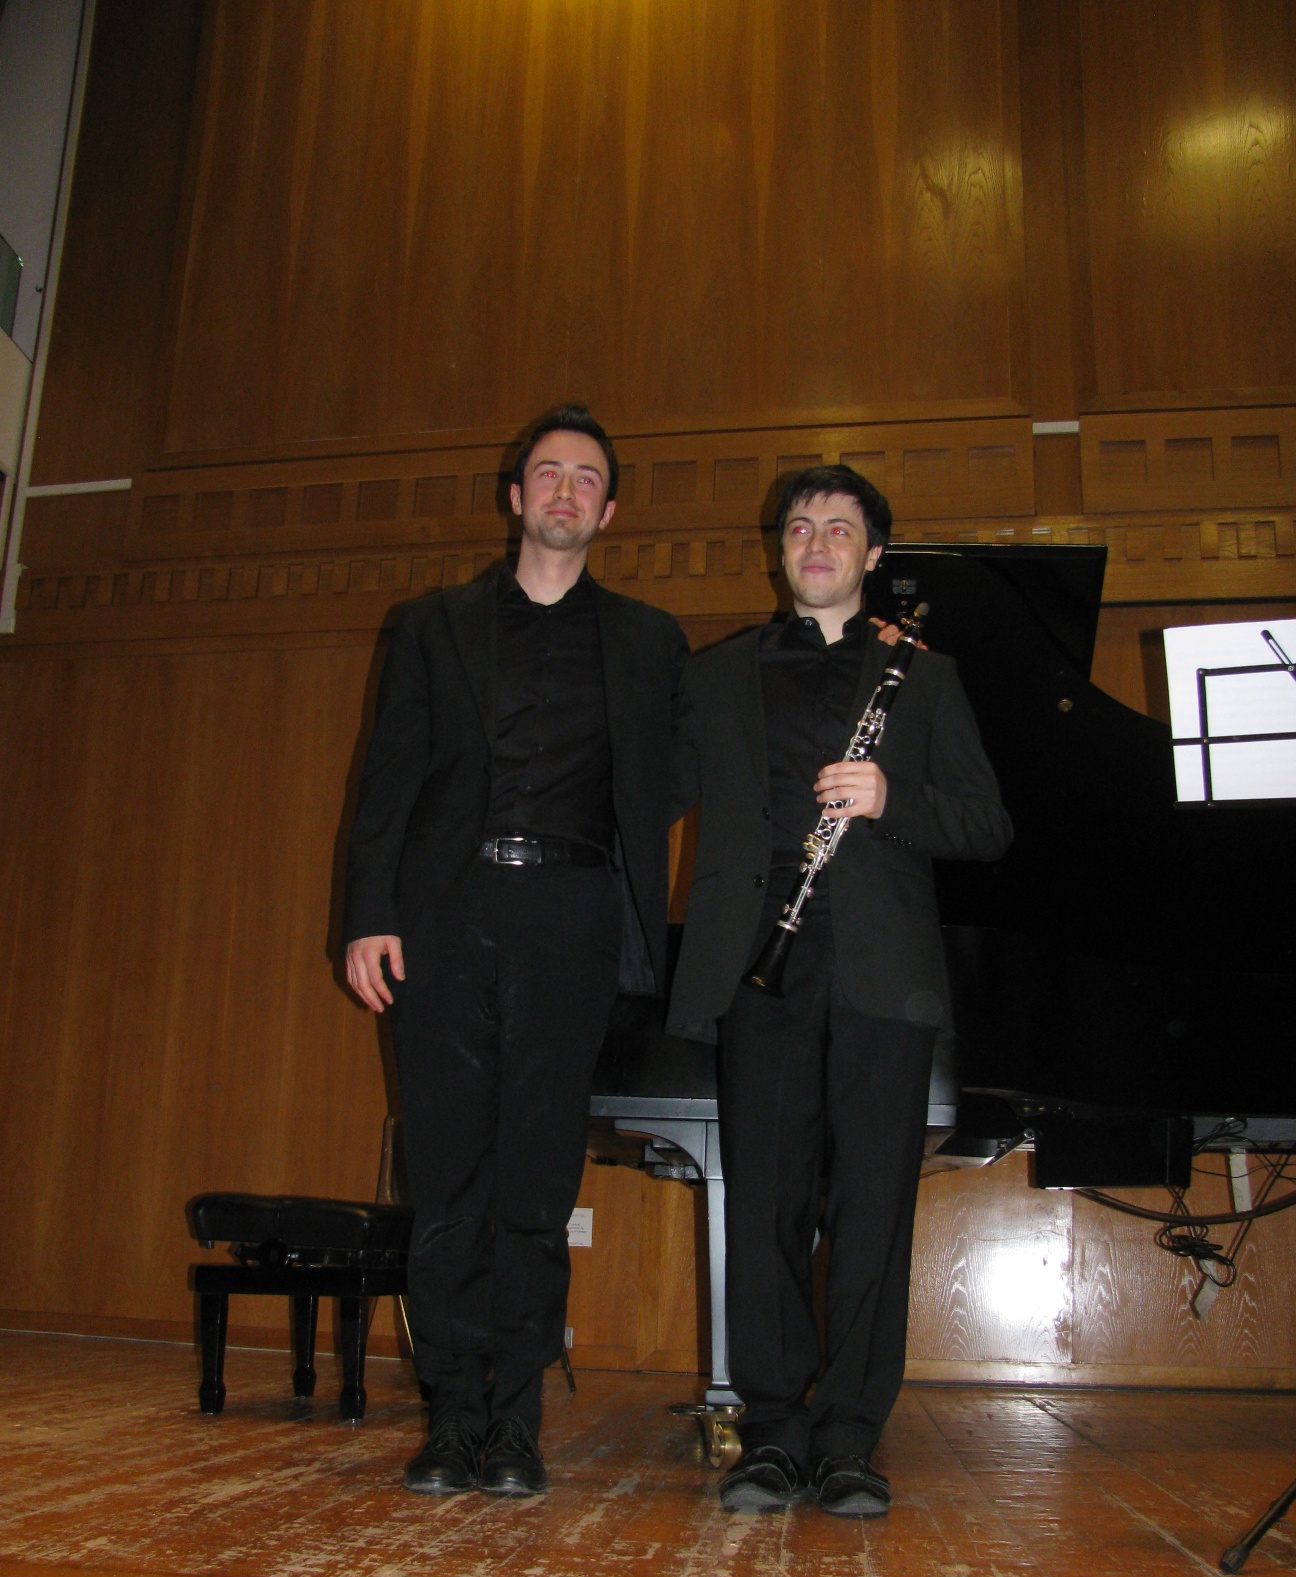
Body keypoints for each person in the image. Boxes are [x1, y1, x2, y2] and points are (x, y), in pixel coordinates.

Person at [344, 405, 687, 1499]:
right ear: (516, 495)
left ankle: (517, 1423)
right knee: (449, 1175)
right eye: (548, 473)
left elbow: (689, 768)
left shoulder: (650, 641)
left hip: (573, 916)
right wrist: (367, 914)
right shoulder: (431, 625)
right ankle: (452, 1416)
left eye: (586, 477)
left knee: (539, 1184)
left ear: (608, 510)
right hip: (445, 914)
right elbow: (388, 781)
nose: (565, 490)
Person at [667, 465, 1011, 1516]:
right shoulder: (716, 676)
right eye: (800, 528)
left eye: (840, 530)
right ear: (780, 549)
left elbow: (987, 826)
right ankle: (773, 1431)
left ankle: (852, 1434)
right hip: (757, 961)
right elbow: (655, 786)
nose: (816, 543)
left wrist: (891, 795)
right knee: (764, 1200)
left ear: (873, 555)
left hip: (880, 970)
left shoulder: (925, 678)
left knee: (873, 1207)